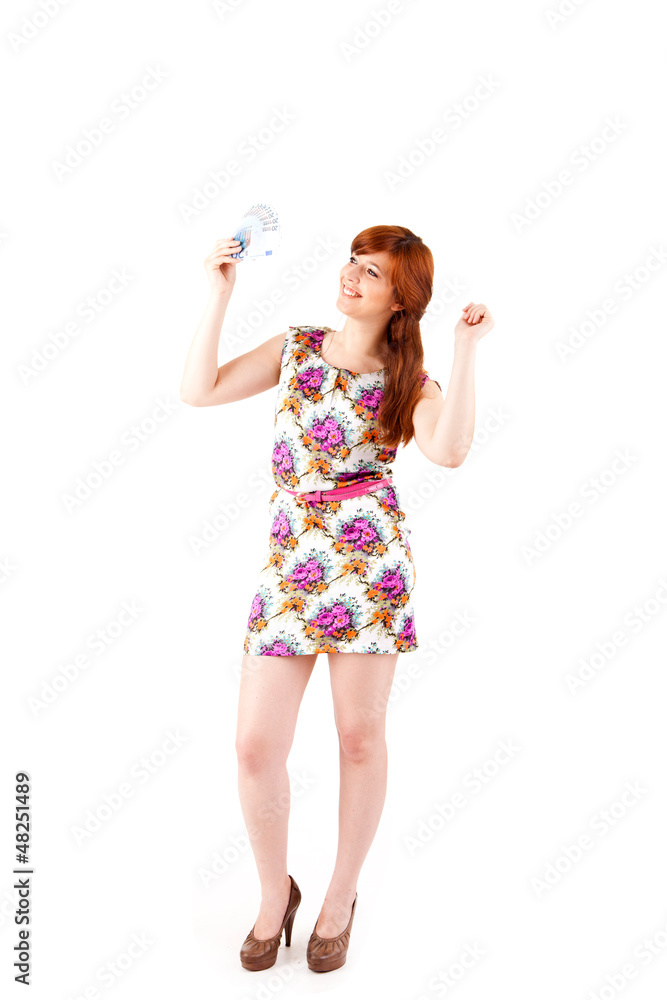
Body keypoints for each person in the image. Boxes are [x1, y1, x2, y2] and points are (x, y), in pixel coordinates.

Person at [180, 224, 494, 973]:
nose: (351, 277)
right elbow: (200, 390)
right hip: (290, 566)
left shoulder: (411, 379)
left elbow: (447, 451)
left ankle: (340, 896)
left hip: (368, 568)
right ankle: (271, 893)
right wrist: (218, 295)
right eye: (351, 263)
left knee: (358, 739)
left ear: (397, 301)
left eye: (371, 272)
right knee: (255, 746)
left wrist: (465, 352)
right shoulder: (297, 346)